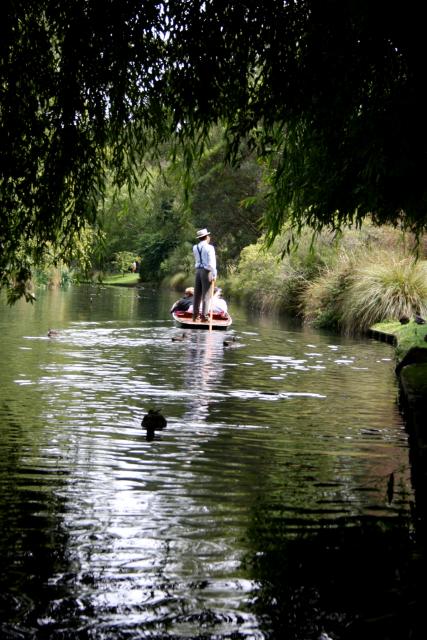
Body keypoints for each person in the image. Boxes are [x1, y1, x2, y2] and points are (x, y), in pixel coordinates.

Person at [192, 228, 217, 322]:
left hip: (198, 271)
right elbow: (211, 263)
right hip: (206, 271)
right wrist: (213, 274)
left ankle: (195, 316)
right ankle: (205, 317)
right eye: (208, 236)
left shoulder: (195, 247)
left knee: (197, 294)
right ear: (206, 237)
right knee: (206, 295)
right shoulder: (209, 247)